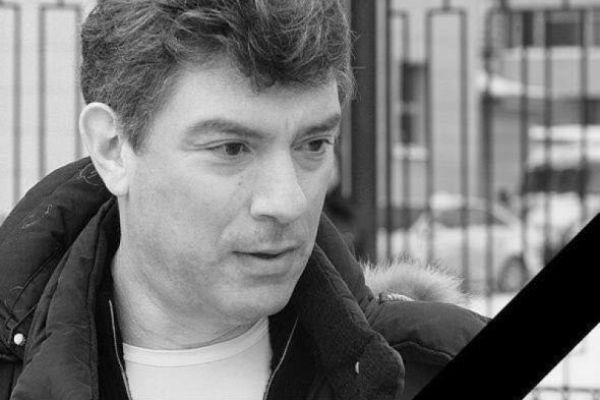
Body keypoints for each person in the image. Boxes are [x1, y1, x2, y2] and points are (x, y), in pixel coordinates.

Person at [0, 1, 487, 399]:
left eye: (313, 144)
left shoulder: (429, 363)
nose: (288, 202)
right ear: (112, 148)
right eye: (232, 148)